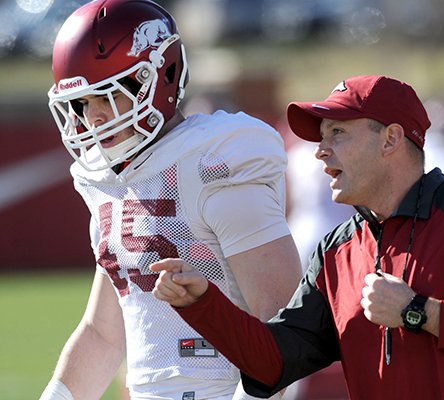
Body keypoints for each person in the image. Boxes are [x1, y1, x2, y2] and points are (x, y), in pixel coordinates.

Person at [152, 75, 444, 399]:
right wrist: (203, 303)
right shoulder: (335, 251)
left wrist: (418, 312)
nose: (320, 150)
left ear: (391, 138)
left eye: (338, 133)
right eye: (321, 137)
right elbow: (274, 363)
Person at [39, 1, 302, 399]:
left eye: (107, 97)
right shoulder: (112, 181)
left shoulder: (214, 162)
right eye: (81, 104)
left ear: (162, 76)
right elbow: (102, 334)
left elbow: (281, 322)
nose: (92, 118)